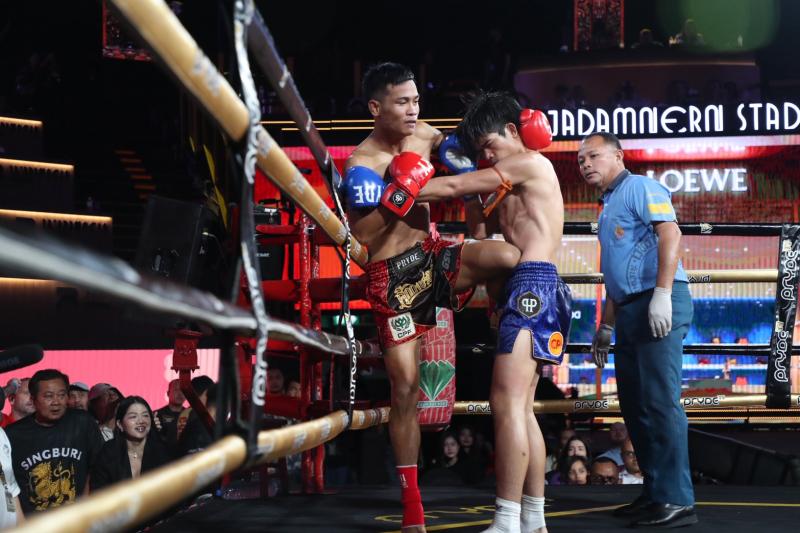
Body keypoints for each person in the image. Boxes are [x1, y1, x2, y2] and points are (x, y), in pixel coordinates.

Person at [340, 63, 520, 532]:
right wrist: (401, 192)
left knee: (507, 257)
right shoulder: (360, 164)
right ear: (376, 107)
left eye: (416, 100)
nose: (413, 109)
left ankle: (497, 310)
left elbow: (466, 159)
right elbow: (364, 236)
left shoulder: (424, 135)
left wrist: (468, 158)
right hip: (392, 279)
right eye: (402, 102)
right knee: (405, 388)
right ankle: (412, 503)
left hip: (433, 254)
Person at [417, 91, 572, 533]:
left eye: (490, 145)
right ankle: (533, 519)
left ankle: (506, 520)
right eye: (481, 152)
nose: (486, 156)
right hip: (524, 289)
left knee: (505, 403)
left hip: (534, 284)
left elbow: (453, 187)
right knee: (521, 407)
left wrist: (396, 189)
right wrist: (471, 190)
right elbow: (481, 237)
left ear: (511, 131)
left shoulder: (530, 163)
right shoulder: (507, 181)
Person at [579, 132, 696, 527]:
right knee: (635, 406)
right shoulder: (608, 204)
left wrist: (662, 293)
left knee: (660, 402)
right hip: (629, 309)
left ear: (618, 156)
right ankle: (656, 492)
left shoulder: (641, 187)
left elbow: (671, 233)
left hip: (655, 299)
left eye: (593, 156)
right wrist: (606, 326)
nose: (586, 164)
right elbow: (616, 272)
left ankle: (678, 500)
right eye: (581, 160)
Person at [5, 369, 103, 513]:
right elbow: (8, 486)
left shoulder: (82, 423)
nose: (56, 402)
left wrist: (84, 507)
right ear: (33, 399)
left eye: (62, 395)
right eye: (48, 396)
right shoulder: (12, 435)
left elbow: (97, 467)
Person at [90, 396, 171, 491]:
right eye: (133, 416)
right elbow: (99, 492)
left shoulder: (163, 452)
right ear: (120, 424)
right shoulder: (108, 452)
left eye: (145, 415)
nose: (141, 421)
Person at [153, 379, 185, 455]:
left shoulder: (191, 415)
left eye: (183, 390)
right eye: (176, 390)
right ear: (168, 393)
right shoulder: (156, 415)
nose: (180, 393)